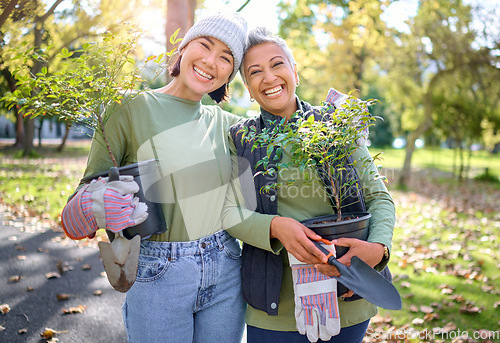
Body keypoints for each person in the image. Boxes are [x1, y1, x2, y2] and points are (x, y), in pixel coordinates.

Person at [60, 13, 248, 343]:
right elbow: (81, 201)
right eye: (204, 45)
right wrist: (96, 203)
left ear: (229, 74)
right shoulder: (128, 107)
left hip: (227, 267)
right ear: (184, 47)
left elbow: (251, 203)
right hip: (158, 272)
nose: (211, 61)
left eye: (226, 58)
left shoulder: (229, 126)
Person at [223, 27, 396, 343]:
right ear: (248, 88)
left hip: (348, 295)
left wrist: (378, 248)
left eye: (277, 64)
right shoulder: (242, 139)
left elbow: (378, 196)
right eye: (255, 72)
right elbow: (232, 214)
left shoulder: (336, 126)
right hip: (273, 311)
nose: (269, 77)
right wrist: (275, 227)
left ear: (295, 73)